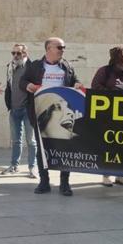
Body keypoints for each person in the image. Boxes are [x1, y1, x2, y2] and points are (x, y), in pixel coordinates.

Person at [23, 37, 80, 196]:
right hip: (40, 113)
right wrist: (28, 85)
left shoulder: (66, 66)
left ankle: (64, 183)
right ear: (49, 49)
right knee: (42, 149)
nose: (63, 50)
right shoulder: (35, 66)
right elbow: (22, 81)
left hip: (61, 114)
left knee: (65, 149)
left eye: (64, 47)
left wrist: (77, 84)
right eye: (60, 47)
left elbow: (75, 80)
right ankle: (44, 182)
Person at [89, 46, 123, 187]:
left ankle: (121, 175)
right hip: (108, 114)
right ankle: (106, 175)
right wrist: (112, 91)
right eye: (121, 62)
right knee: (108, 145)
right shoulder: (104, 71)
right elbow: (95, 87)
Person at [3, 43, 38, 178]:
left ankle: (32, 167)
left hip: (27, 110)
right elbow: (9, 86)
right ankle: (14, 165)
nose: (15, 56)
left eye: (18, 53)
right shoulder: (10, 67)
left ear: (25, 54)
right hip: (14, 109)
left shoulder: (31, 68)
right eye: (13, 53)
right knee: (16, 141)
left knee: (31, 141)